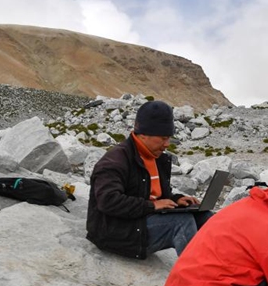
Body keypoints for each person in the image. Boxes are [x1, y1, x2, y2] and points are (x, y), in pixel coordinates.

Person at [86, 100, 211, 259]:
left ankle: (222, 269)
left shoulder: (157, 157)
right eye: (163, 138)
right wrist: (152, 206)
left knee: (206, 217)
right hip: (114, 232)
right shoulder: (114, 161)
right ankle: (196, 278)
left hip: (140, 220)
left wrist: (177, 200)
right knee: (182, 222)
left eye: (169, 138)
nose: (167, 144)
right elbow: (108, 201)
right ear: (143, 134)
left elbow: (154, 195)